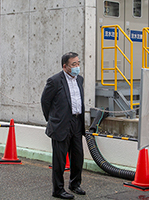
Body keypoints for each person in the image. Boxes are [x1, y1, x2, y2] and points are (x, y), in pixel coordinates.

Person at [41, 52, 86, 199]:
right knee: (59, 160)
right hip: (61, 124)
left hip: (77, 122)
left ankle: (75, 184)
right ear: (65, 66)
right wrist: (53, 119)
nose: (77, 67)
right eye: (74, 64)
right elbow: (45, 101)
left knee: (78, 156)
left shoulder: (80, 79)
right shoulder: (54, 81)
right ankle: (58, 190)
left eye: (78, 63)